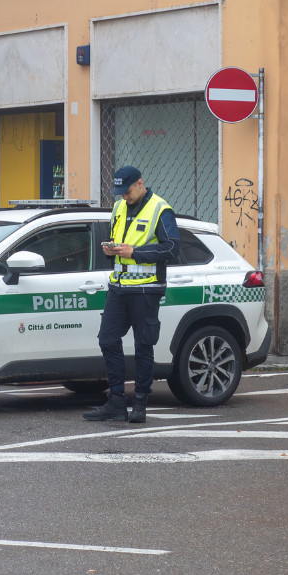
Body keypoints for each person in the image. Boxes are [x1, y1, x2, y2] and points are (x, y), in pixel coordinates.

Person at [83, 166, 180, 424]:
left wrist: (134, 253)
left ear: (140, 183)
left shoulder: (161, 209)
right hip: (118, 287)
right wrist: (111, 250)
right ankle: (116, 401)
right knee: (107, 339)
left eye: (127, 192)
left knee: (143, 346)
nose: (124, 197)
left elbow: (172, 248)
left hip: (146, 289)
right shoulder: (118, 208)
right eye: (120, 193)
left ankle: (139, 404)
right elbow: (118, 240)